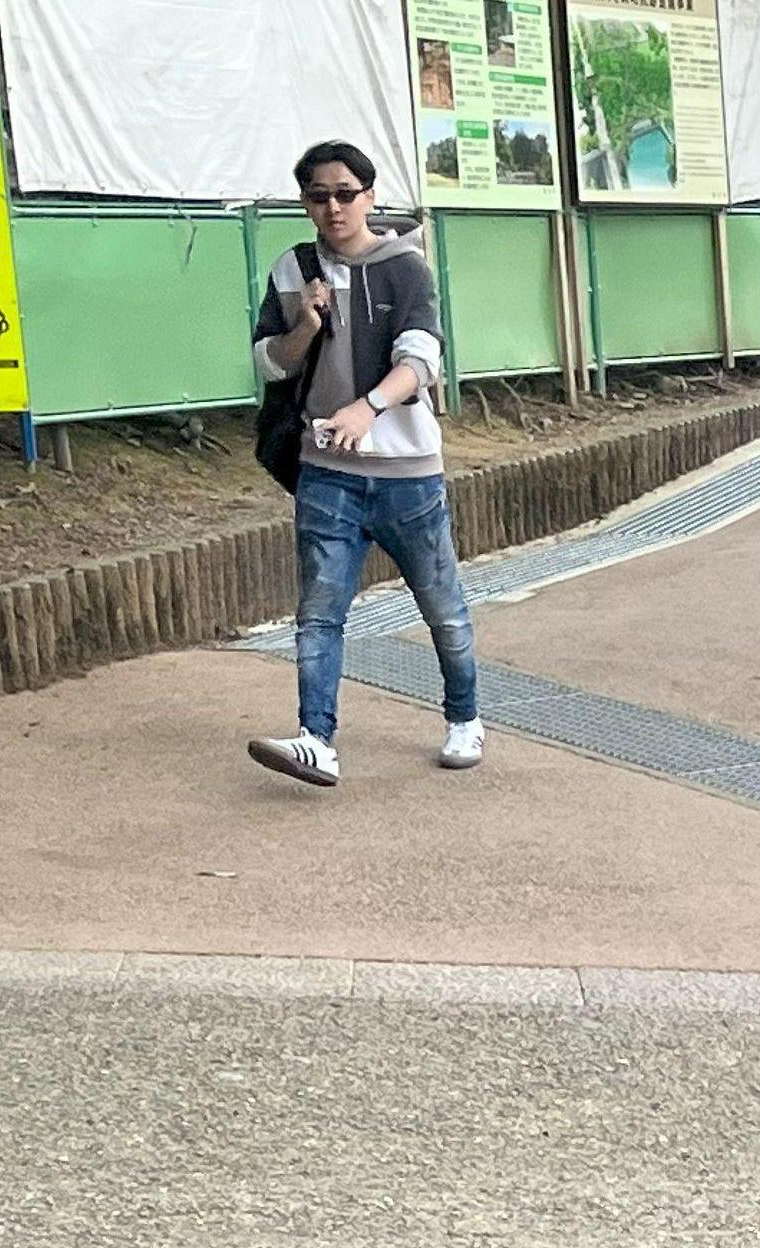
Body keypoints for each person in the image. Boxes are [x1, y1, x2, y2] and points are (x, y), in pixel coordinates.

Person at [246, 142, 478, 788]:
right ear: (305, 203)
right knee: (319, 610)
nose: (333, 207)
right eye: (319, 196)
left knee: (443, 605)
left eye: (346, 193)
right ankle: (316, 739)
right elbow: (267, 362)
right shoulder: (292, 270)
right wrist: (305, 326)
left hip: (409, 474)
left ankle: (464, 717)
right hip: (326, 472)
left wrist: (367, 409)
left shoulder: (406, 267)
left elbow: (421, 360)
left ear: (371, 197)